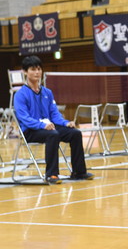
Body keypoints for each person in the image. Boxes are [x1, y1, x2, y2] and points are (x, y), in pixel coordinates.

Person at [13, 55, 94, 184]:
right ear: (25, 72)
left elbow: (54, 114)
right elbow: (24, 118)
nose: (37, 72)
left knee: (75, 133)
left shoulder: (47, 92)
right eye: (33, 69)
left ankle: (79, 172)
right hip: (30, 131)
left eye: (39, 69)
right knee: (53, 135)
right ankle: (52, 174)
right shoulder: (20, 95)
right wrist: (41, 125)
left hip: (49, 128)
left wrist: (66, 123)